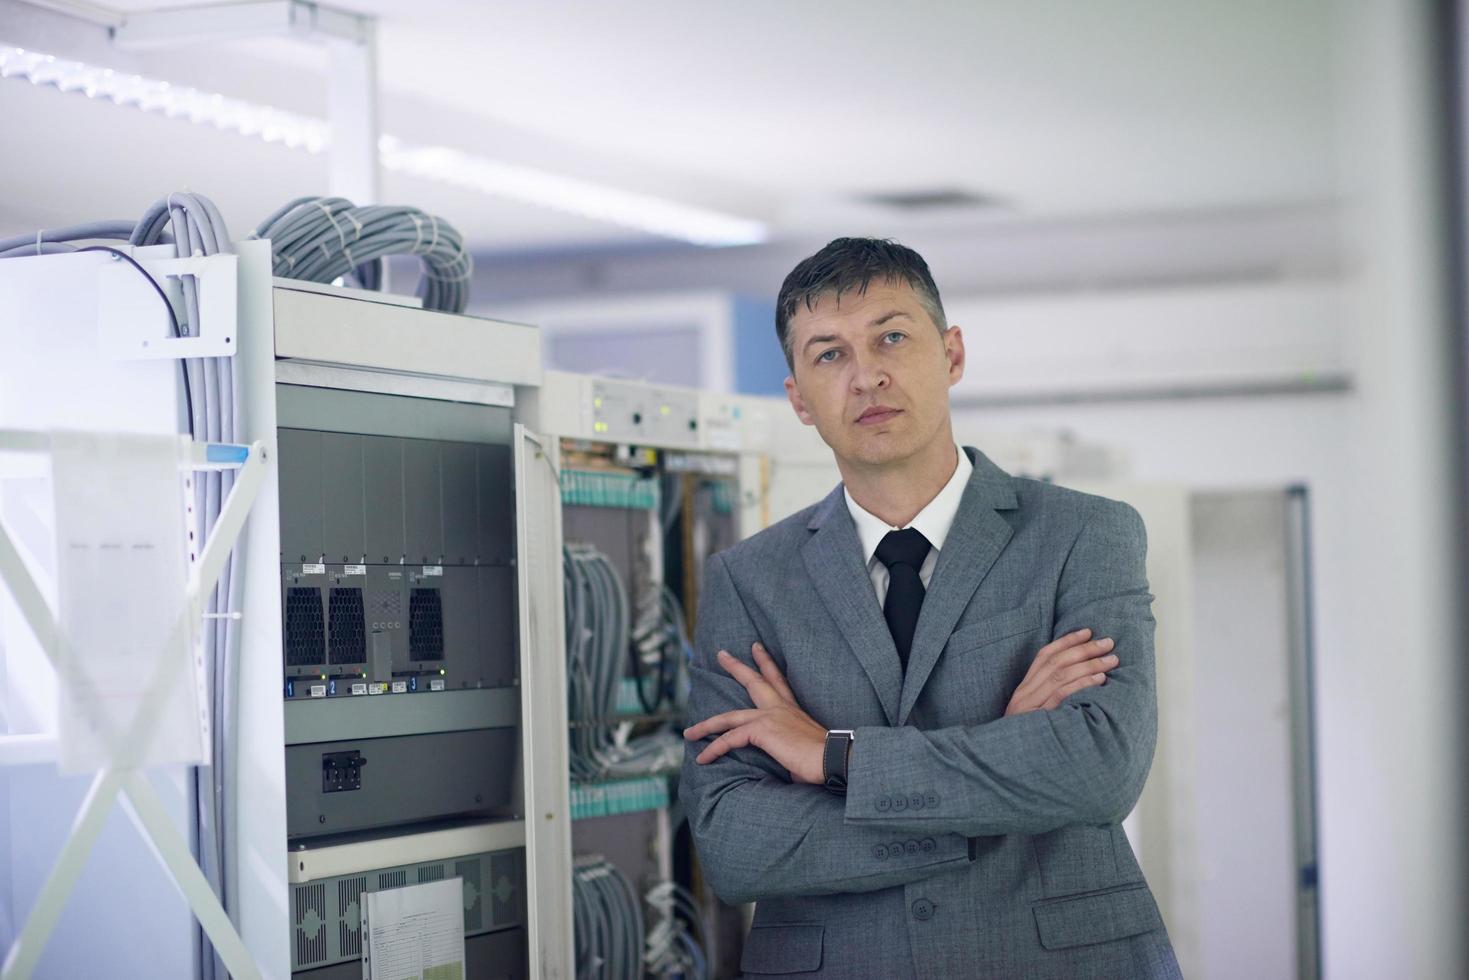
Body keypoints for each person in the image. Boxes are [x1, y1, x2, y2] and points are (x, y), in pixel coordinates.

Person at [679, 238, 1181, 979]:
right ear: (798, 400)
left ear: (950, 355)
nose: (866, 375)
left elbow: (1100, 769)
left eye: (891, 336)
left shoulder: (1084, 534)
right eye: (828, 355)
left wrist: (833, 757)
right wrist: (1005, 763)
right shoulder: (750, 581)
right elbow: (732, 843)